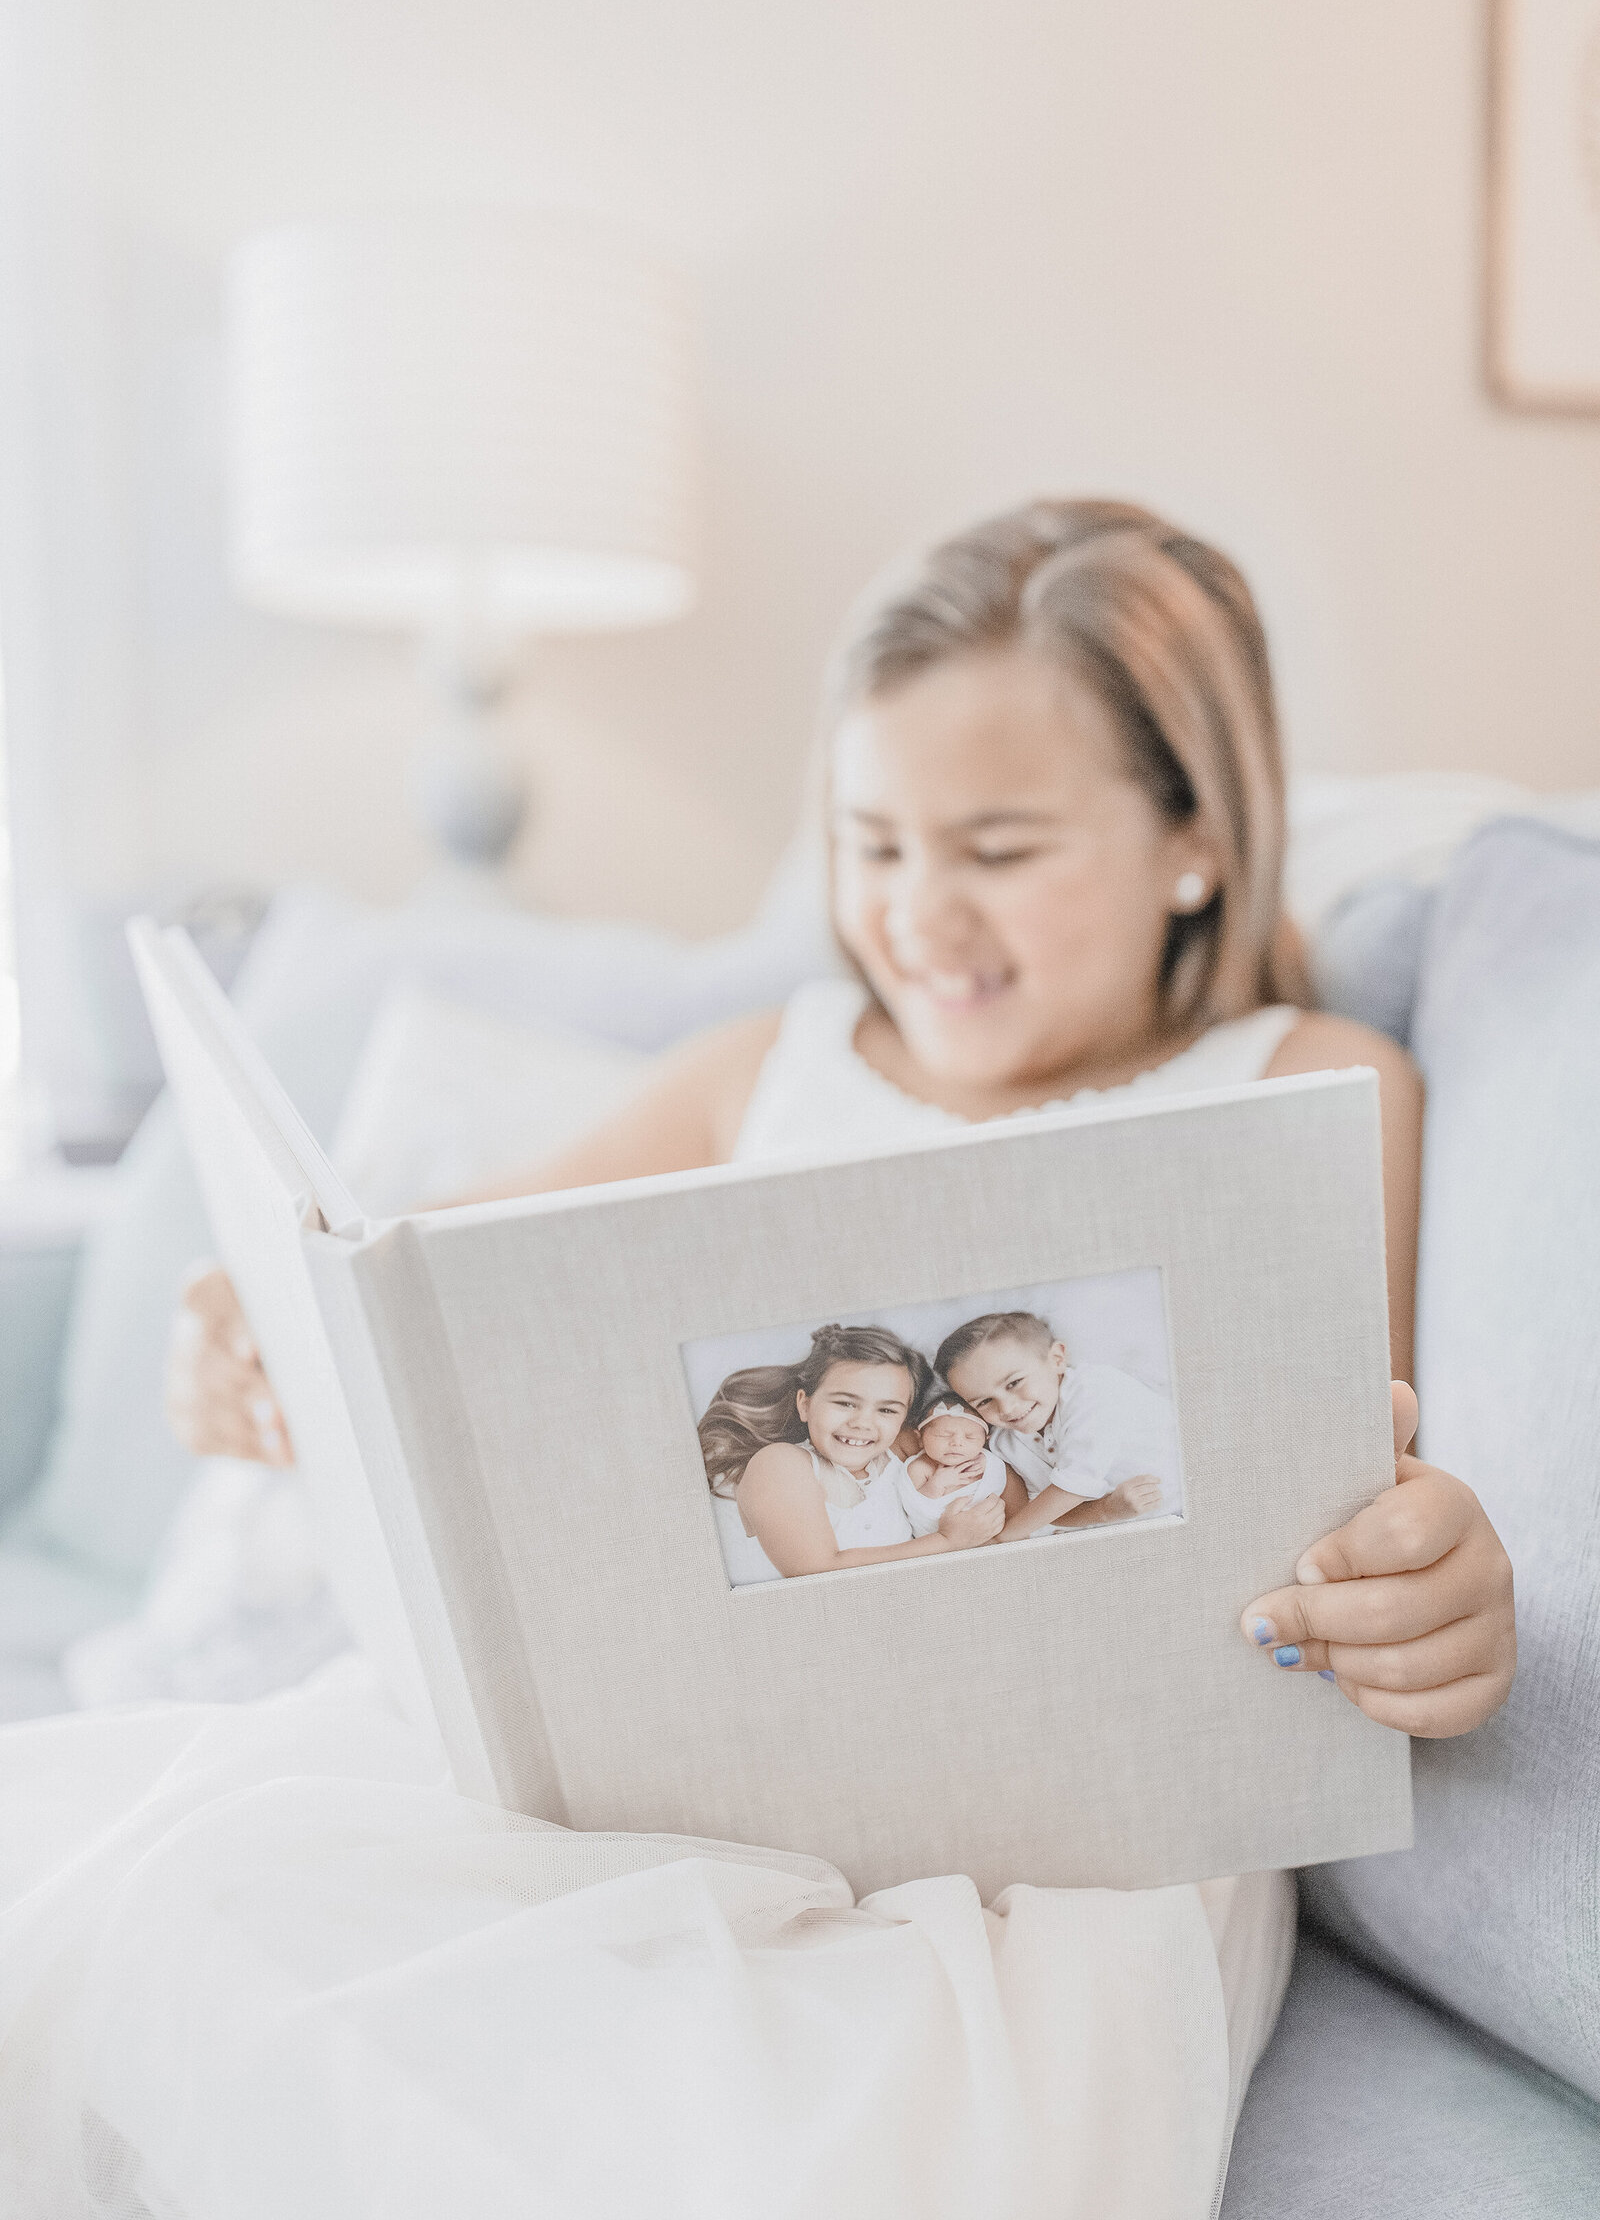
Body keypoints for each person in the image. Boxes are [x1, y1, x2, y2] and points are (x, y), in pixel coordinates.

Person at [4, 498, 1518, 2220]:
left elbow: (1350, 1486)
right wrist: (256, 1354)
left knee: (818, 2143)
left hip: (1065, 1861)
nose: (919, 912)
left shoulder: (1306, 1087)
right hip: (668, 1800)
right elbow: (408, 1319)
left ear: (1196, 841)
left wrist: (1424, 1571)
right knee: (174, 1917)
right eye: (872, 845)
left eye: (1000, 849)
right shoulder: (760, 1070)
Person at [698, 1325, 1005, 1582]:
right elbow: (815, 1571)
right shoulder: (780, 1463)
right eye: (845, 1403)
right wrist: (947, 1542)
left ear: (904, 1420)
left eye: (886, 1409)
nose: (862, 1423)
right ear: (805, 1404)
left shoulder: (900, 1453)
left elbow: (983, 1459)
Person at [937, 1309, 1178, 1533]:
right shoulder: (1005, 1443)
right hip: (1120, 1531)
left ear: (1057, 1359)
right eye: (984, 1402)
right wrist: (1106, 1510)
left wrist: (1005, 1539)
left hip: (1181, 1504)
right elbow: (1046, 1512)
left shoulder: (1093, 1388)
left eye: (1014, 1383)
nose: (1007, 1408)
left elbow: (1072, 1487)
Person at [896, 1392, 1016, 1536]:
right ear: (920, 1438)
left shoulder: (987, 1463)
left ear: (985, 1440)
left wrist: (989, 1466)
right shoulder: (920, 1468)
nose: (957, 1443)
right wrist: (936, 1485)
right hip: (936, 1536)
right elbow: (917, 1506)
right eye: (943, 1435)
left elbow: (997, 1486)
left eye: (970, 1437)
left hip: (989, 1532)